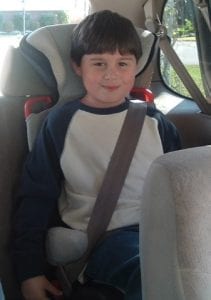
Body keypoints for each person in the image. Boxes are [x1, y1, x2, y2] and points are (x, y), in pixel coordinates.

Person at [13, 10, 181, 300]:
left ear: (135, 66)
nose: (111, 73)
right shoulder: (61, 123)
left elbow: (181, 186)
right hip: (106, 243)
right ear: (77, 66)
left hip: (163, 232)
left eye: (122, 63)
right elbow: (35, 197)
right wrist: (29, 270)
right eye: (99, 62)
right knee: (154, 271)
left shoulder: (157, 122)